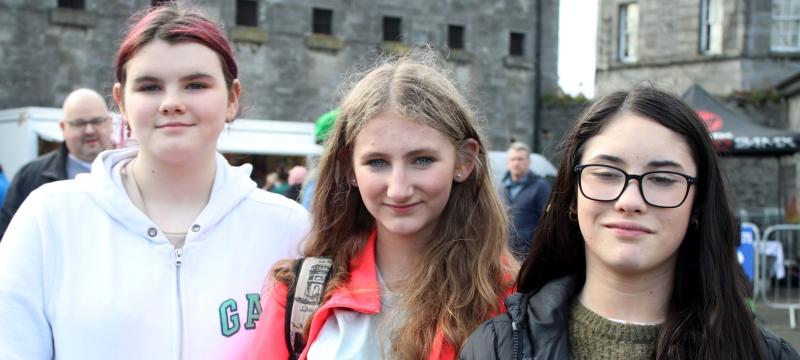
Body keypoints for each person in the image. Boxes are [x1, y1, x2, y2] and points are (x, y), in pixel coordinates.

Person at [0, 4, 309, 359]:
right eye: (150, 87)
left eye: (195, 84)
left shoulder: (288, 227)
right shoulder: (50, 218)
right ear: (121, 102)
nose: (171, 103)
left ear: (232, 98)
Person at [460, 86, 800, 359]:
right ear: (573, 195)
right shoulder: (495, 348)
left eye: (663, 179)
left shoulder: (765, 353)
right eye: (606, 174)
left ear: (697, 205)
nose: (630, 201)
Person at [248, 51, 516, 359]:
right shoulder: (299, 295)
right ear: (349, 168)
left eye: (422, 160)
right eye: (377, 162)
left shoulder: (510, 301)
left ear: (464, 161)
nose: (398, 189)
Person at [0, 88, 112, 239]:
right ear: (62, 127)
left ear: (109, 123)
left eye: (96, 121)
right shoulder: (29, 177)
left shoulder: (131, 172)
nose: (89, 130)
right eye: (78, 123)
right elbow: (8, 238)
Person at [500, 141, 550, 260]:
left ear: (528, 162)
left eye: (520, 159)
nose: (516, 163)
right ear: (508, 163)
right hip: (507, 252)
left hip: (531, 252)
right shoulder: (502, 187)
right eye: (513, 159)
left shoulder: (540, 186)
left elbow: (548, 221)